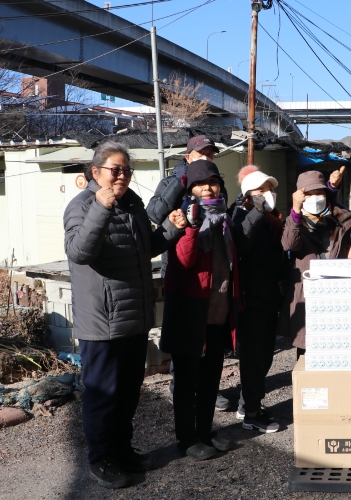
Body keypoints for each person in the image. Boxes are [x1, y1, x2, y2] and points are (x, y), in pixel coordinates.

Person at [63, 142, 186, 489]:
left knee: (129, 391)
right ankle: (101, 459)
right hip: (101, 320)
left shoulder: (132, 204)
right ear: (95, 171)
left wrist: (171, 228)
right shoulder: (82, 205)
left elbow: (145, 248)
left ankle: (121, 450)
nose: (121, 176)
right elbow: (79, 252)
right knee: (103, 394)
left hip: (134, 315)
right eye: (115, 169)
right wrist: (100, 209)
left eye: (126, 170)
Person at [160, 159, 240, 460]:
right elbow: (182, 261)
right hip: (190, 311)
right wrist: (191, 228)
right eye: (200, 184)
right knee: (186, 381)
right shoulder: (180, 216)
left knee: (210, 378)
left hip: (218, 309)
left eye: (213, 182)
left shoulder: (224, 219)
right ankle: (186, 438)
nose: (208, 188)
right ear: (190, 189)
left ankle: (205, 431)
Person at [145, 135, 230, 412]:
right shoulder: (174, 181)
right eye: (201, 152)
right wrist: (182, 183)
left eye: (211, 153)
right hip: (179, 263)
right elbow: (155, 213)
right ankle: (178, 389)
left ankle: (208, 391)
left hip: (211, 266)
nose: (206, 157)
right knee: (185, 337)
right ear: (188, 155)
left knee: (209, 335)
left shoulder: (215, 183)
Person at [277, 170, 351, 358]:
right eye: (308, 194)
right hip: (307, 294)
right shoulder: (294, 222)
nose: (314, 198)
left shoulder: (343, 219)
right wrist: (295, 211)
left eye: (319, 193)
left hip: (338, 294)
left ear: (326, 194)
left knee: (338, 351)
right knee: (307, 353)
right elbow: (289, 244)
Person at [231, 166, 284, 434]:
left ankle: (248, 405)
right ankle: (251, 414)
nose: (268, 194)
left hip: (268, 296)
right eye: (261, 190)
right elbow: (241, 243)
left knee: (264, 356)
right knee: (253, 358)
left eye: (270, 189)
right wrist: (258, 211)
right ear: (248, 195)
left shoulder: (271, 219)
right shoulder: (240, 215)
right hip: (250, 299)